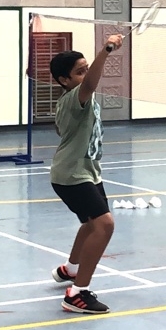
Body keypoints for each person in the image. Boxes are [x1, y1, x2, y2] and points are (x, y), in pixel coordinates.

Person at [48, 33, 125, 314]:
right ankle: (77, 294)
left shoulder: (76, 99)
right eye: (80, 72)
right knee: (104, 225)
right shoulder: (74, 97)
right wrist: (106, 50)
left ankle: (70, 269)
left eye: (86, 68)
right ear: (64, 81)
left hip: (88, 172)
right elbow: (92, 82)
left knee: (91, 224)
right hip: (72, 175)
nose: (87, 75)